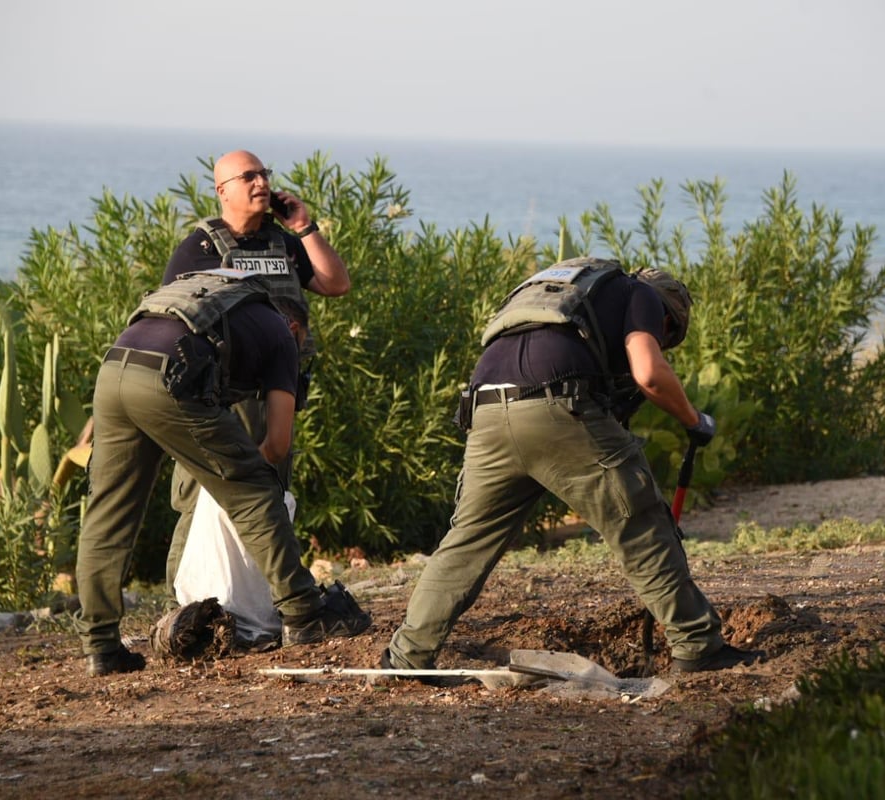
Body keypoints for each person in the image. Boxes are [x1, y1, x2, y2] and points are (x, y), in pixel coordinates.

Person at [383, 257, 763, 676]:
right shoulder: (643, 296)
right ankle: (698, 646)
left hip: (486, 412)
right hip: (556, 406)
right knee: (641, 521)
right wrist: (693, 420)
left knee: (466, 543)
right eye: (666, 337)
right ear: (669, 319)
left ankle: (407, 656)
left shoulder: (572, 294)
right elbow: (649, 373)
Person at [76, 269, 370, 677]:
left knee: (109, 514)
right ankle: (304, 612)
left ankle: (101, 647)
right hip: (170, 374)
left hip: (115, 369)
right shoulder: (284, 336)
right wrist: (236, 482)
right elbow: (277, 446)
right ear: (297, 326)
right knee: (254, 491)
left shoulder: (229, 314)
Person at [161, 150, 351, 604]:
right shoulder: (202, 248)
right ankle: (181, 603)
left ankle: (258, 598)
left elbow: (335, 283)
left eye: (264, 174)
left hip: (276, 390)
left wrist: (303, 227)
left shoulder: (282, 243)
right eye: (247, 177)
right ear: (222, 190)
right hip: (221, 396)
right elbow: (173, 316)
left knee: (268, 493)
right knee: (201, 496)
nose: (260, 183)